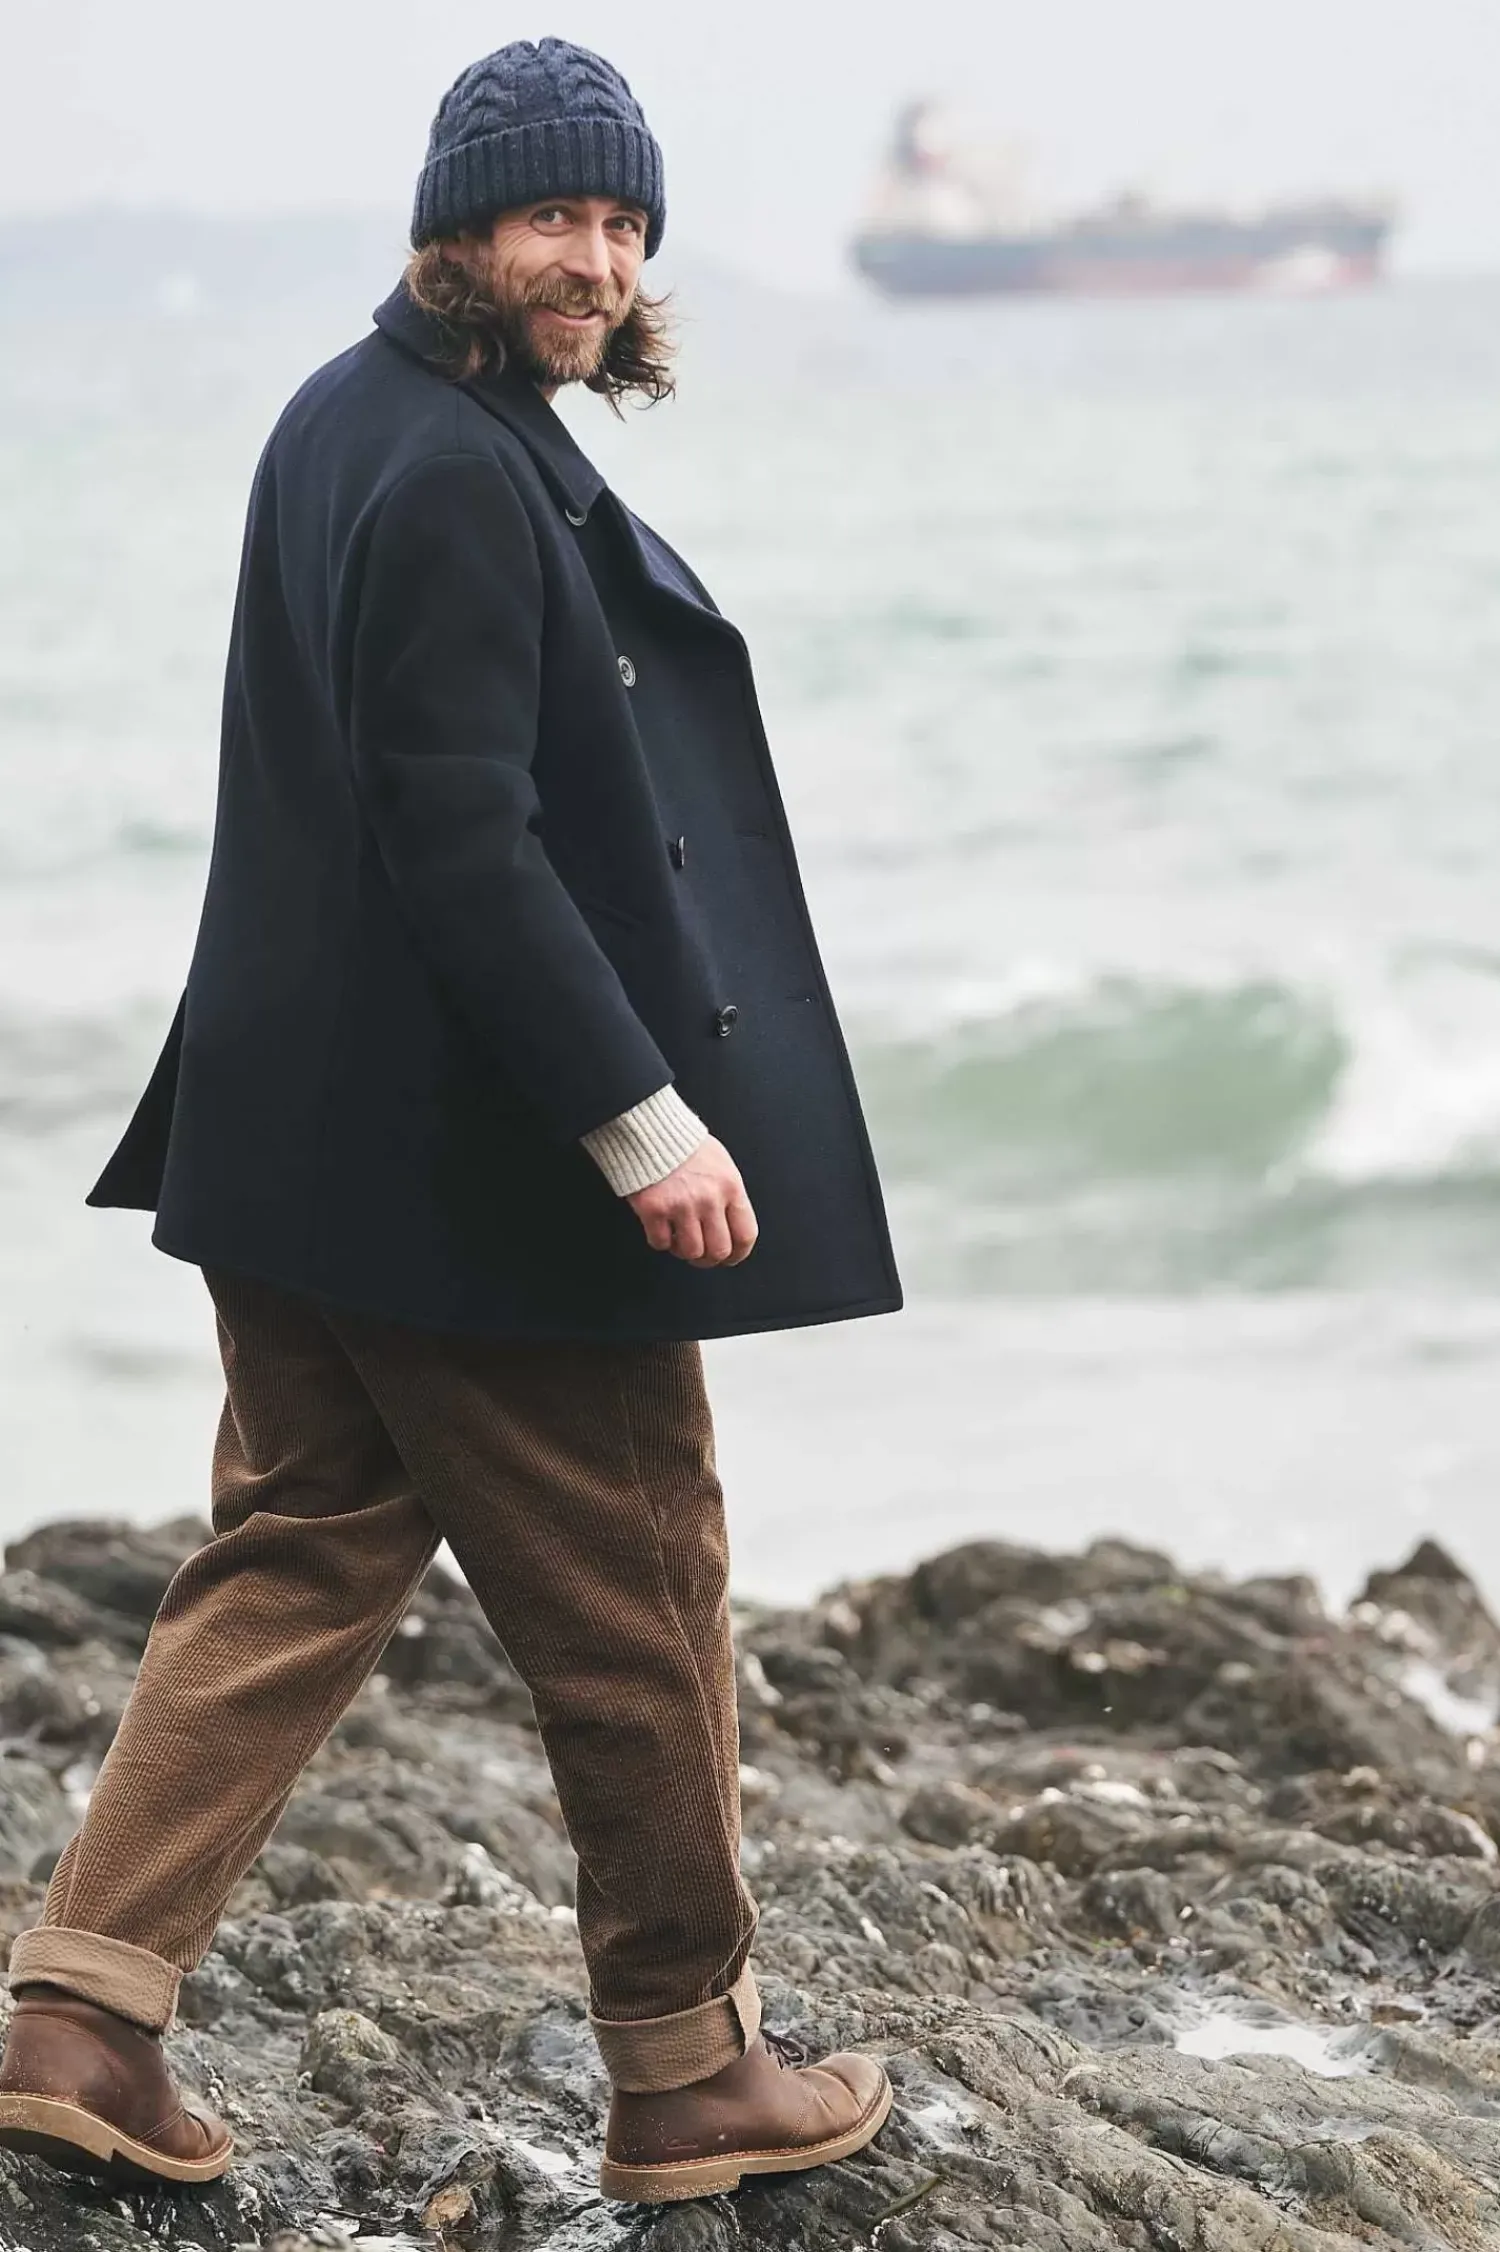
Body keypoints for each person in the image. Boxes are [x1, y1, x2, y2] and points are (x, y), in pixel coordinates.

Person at [0, 38, 902, 2205]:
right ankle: (692, 2069)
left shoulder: (351, 419)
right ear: (457, 230)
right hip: (461, 1167)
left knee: (304, 1544)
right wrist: (637, 1118)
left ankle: (81, 2013)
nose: (595, 260)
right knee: (638, 1591)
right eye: (553, 216)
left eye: (623, 223)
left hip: (295, 1137)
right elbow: (459, 839)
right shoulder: (452, 473)